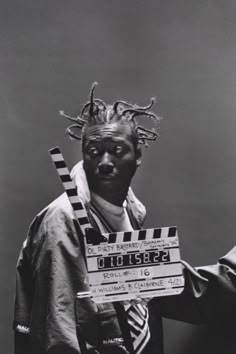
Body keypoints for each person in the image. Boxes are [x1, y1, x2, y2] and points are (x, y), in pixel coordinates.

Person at [13, 82, 164, 354]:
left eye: (117, 151)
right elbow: (60, 338)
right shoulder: (62, 221)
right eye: (94, 151)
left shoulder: (131, 212)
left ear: (137, 155)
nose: (105, 162)